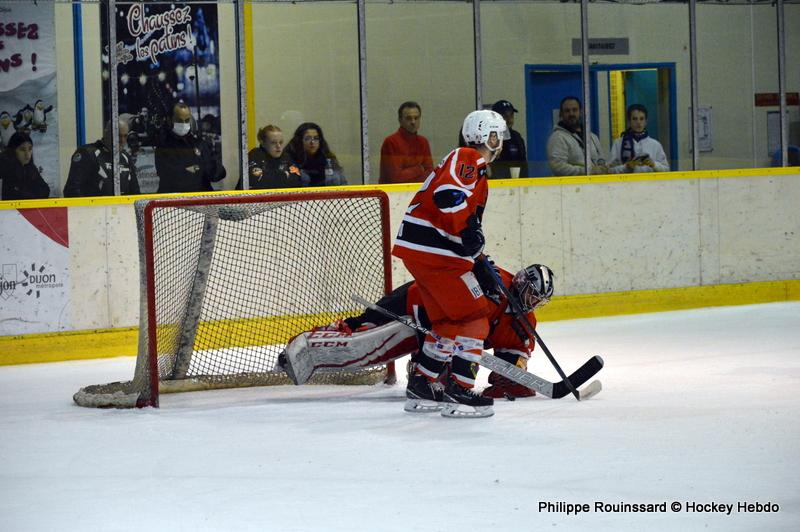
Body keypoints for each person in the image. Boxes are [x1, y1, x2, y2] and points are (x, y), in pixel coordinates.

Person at [280, 262, 556, 406]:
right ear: (520, 283)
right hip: (418, 299)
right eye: (531, 294)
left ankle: (420, 369)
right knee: (365, 333)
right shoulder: (493, 281)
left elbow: (510, 362)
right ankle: (307, 345)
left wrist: (511, 378)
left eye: (539, 300)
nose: (533, 302)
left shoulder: (525, 323)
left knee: (440, 381)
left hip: (441, 334)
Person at [390, 109, 507, 418]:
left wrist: (477, 260)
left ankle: (422, 385)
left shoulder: (472, 167)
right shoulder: (468, 156)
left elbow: (459, 214)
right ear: (484, 136)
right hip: (435, 252)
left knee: (447, 323)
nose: (500, 141)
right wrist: (468, 232)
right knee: (475, 317)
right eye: (496, 135)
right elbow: (448, 195)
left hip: (425, 251)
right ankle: (460, 390)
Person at [154, 102, 226, 193]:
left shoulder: (199, 143)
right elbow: (175, 175)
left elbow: (219, 173)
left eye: (187, 120)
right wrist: (201, 166)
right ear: (169, 120)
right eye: (179, 120)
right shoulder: (164, 146)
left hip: (202, 197)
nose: (184, 124)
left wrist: (197, 167)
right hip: (174, 199)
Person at [63, 119, 141, 197]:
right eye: (118, 136)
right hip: (95, 204)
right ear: (106, 133)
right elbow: (71, 190)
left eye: (125, 136)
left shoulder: (125, 157)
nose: (122, 140)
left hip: (122, 204)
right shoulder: (88, 153)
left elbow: (135, 192)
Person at [546, 96, 608, 176]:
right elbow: (558, 167)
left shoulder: (592, 137)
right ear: (561, 114)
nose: (571, 114)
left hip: (595, 182)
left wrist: (603, 167)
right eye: (567, 111)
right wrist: (587, 171)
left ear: (581, 112)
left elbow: (601, 159)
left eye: (574, 110)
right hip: (572, 183)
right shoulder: (557, 138)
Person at [236, 125, 309, 189]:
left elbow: (297, 180)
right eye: (273, 143)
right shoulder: (255, 154)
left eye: (281, 142)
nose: (278, 146)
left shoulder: (286, 157)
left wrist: (269, 176)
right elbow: (255, 180)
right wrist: (284, 175)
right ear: (262, 143)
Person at [379, 101, 434, 184]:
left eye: (416, 118)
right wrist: (419, 169)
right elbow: (396, 178)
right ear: (400, 120)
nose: (413, 122)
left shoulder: (423, 142)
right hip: (394, 191)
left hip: (419, 189)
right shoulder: (391, 142)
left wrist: (408, 173)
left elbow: (430, 174)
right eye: (409, 118)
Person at [608, 104, 670, 174]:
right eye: (635, 119)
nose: (638, 122)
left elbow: (666, 169)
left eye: (641, 119)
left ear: (646, 122)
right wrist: (627, 167)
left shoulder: (655, 145)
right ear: (629, 121)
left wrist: (654, 164)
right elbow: (610, 171)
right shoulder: (618, 143)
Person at [285, 122, 346, 187]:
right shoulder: (289, 160)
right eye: (308, 138)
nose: (312, 142)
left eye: (316, 138)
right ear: (299, 140)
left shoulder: (328, 158)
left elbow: (343, 183)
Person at [0, 132, 50, 200]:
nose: (27, 154)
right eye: (22, 149)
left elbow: (45, 190)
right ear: (13, 150)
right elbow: (13, 194)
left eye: (30, 149)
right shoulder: (4, 166)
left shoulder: (30, 167)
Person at [489, 100, 528, 178]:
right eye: (504, 116)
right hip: (494, 182)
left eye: (511, 115)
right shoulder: (488, 138)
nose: (509, 119)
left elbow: (523, 163)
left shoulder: (517, 137)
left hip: (516, 182)